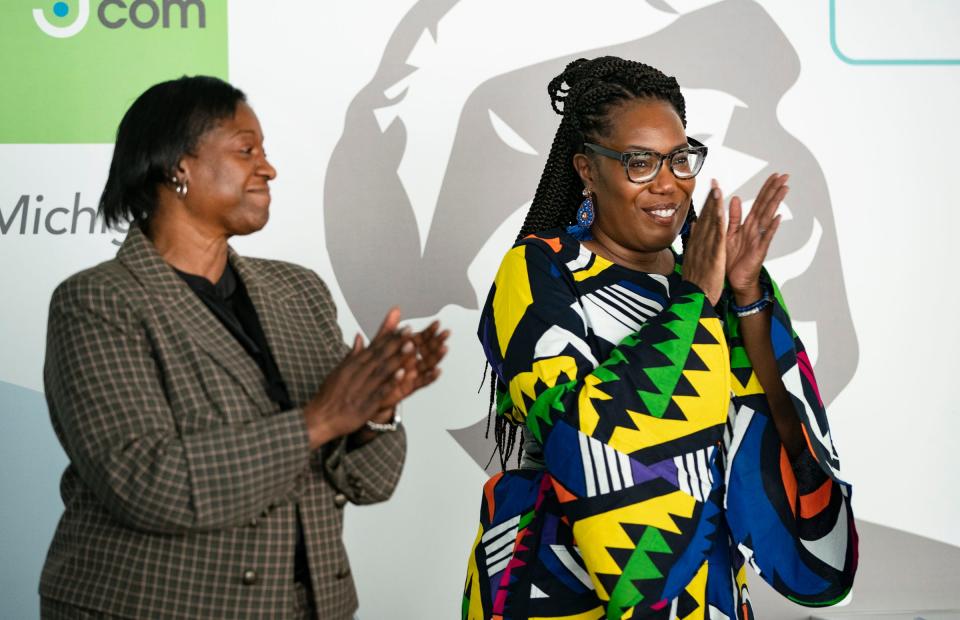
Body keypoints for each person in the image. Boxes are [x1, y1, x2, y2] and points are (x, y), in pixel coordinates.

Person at [38, 76, 448, 619]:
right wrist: (319, 420)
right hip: (150, 606)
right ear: (176, 166)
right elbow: (145, 483)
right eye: (245, 149)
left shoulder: (298, 292)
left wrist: (375, 409)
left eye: (265, 151)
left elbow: (368, 484)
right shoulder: (95, 303)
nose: (268, 168)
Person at [462, 57, 857, 619]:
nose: (668, 181)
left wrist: (744, 296)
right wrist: (694, 303)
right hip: (559, 581)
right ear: (586, 169)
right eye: (640, 162)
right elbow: (579, 433)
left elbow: (775, 438)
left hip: (699, 584)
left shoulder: (705, 276)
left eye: (679, 158)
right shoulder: (538, 271)